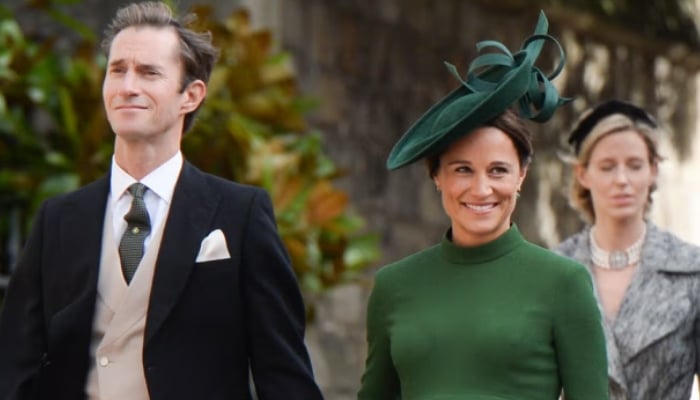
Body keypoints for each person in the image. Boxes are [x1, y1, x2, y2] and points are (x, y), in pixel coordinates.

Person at [0, 2, 324, 399]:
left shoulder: (241, 215)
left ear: (191, 95)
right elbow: (14, 365)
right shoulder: (59, 218)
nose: (127, 86)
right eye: (117, 69)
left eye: (149, 73)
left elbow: (284, 374)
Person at [358, 11, 608, 400]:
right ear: (436, 175)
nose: (481, 188)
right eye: (462, 169)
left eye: (498, 170)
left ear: (521, 177)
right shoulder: (394, 286)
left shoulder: (564, 284)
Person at [555, 99, 700, 400]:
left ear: (653, 170)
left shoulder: (691, 270)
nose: (622, 180)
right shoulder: (553, 270)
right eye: (607, 167)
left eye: (634, 165)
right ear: (583, 174)